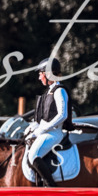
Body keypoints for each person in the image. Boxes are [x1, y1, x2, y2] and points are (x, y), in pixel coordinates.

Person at [24, 58, 73, 187]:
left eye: (40, 74)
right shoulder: (50, 91)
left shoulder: (59, 90)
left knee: (33, 155)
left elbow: (62, 115)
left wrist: (42, 129)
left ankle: (51, 186)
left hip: (54, 133)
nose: (39, 78)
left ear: (48, 73)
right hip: (46, 131)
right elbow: (45, 117)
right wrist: (34, 127)